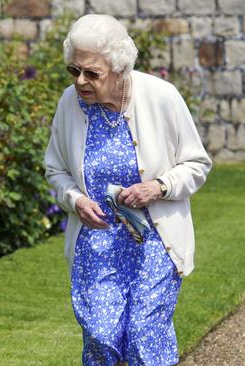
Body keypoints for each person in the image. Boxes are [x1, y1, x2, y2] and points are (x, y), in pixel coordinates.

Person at [43, 14, 212, 366]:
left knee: (143, 332)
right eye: (74, 71)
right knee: (101, 336)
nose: (81, 82)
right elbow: (56, 170)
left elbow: (197, 165)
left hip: (155, 239)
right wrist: (75, 201)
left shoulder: (161, 96)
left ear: (119, 68)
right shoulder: (69, 103)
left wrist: (158, 187)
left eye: (92, 73)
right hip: (97, 242)